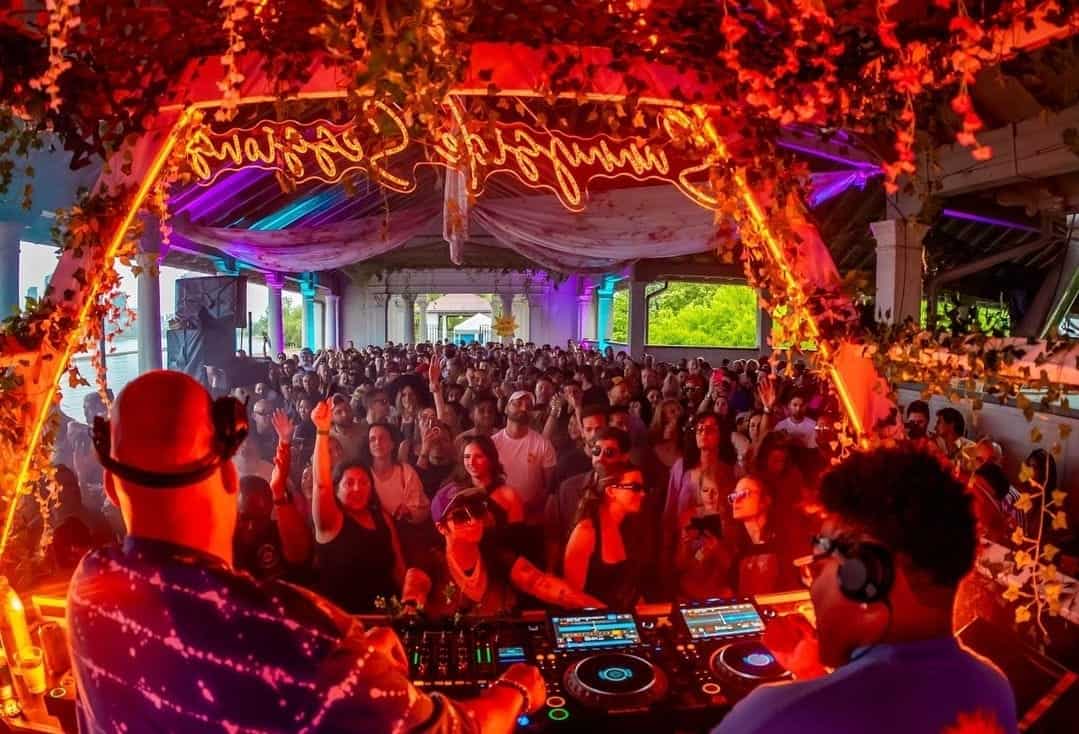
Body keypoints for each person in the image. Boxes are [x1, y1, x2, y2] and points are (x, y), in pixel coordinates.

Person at [70, 370, 544, 733]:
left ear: (111, 487)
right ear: (232, 479)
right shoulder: (292, 628)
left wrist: (352, 669)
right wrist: (516, 689)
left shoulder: (89, 585)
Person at [713, 446, 1018, 734]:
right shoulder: (993, 690)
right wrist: (810, 674)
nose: (812, 586)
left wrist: (803, 694)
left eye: (818, 568)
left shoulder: (772, 716)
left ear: (870, 576)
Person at [402, 487, 604, 619]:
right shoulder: (429, 560)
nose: (473, 521)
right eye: (461, 516)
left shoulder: (497, 556)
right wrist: (410, 606)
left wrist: (605, 612)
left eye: (478, 511)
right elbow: (415, 585)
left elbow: (540, 583)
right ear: (442, 528)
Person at [310, 402, 407, 612]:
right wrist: (322, 431)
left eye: (364, 482)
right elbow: (321, 484)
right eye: (349, 483)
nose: (358, 488)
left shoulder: (381, 517)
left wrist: (408, 611)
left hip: (386, 618)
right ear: (336, 489)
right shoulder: (330, 521)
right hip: (347, 623)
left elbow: (399, 569)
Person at [563, 466, 648, 608]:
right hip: (596, 622)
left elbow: (631, 590)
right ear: (610, 491)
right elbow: (572, 597)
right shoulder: (586, 532)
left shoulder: (630, 527)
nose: (643, 493)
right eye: (635, 487)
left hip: (626, 620)